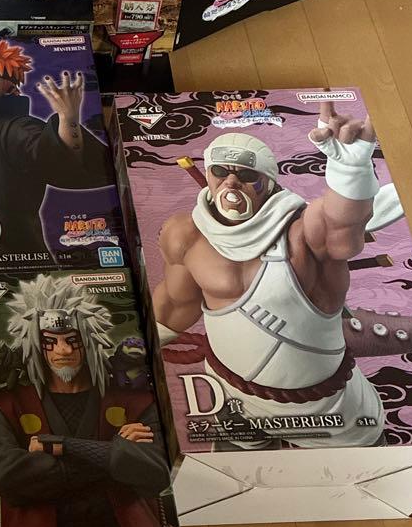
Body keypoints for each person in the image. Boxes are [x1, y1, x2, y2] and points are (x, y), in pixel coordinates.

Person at [152, 102, 388, 447]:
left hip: (326, 411)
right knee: (229, 478)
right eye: (221, 171)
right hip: (232, 398)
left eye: (247, 175)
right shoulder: (186, 234)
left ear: (269, 183)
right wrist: (129, 350)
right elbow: (175, 305)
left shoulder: (301, 233)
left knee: (367, 476)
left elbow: (341, 224)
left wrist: (350, 172)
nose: (231, 182)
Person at [0, 274, 193, 527]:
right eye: (50, 342)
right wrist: (115, 456)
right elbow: (11, 478)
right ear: (34, 343)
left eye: (72, 340)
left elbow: (156, 472)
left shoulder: (134, 398)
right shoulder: (4, 404)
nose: (62, 351)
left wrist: (62, 447)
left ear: (89, 339)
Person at [0, 38, 112, 259]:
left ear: (9, 86)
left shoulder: (18, 128)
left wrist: (68, 120)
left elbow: (54, 159)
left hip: (15, 261)